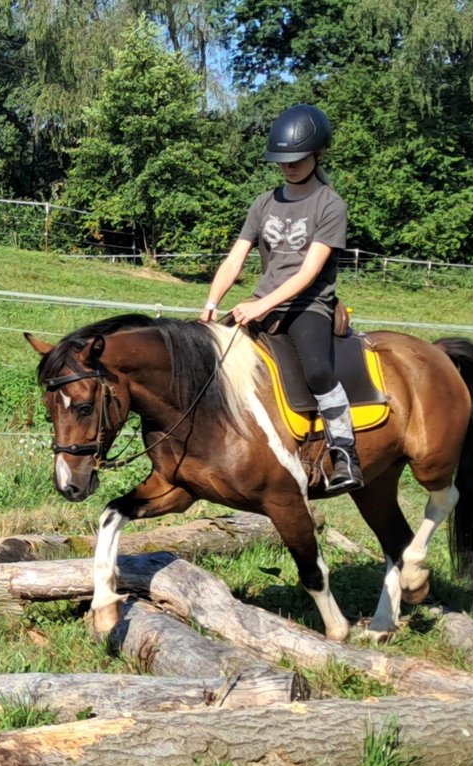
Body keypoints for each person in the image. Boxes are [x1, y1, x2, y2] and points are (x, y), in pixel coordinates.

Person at [199, 104, 363, 494]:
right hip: (262, 300)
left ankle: (345, 453)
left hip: (308, 306)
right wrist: (212, 300)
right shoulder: (263, 203)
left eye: (296, 159)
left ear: (318, 154)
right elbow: (235, 257)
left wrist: (260, 306)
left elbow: (308, 272)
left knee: (319, 372)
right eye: (282, 160)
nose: (288, 166)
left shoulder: (330, 205)